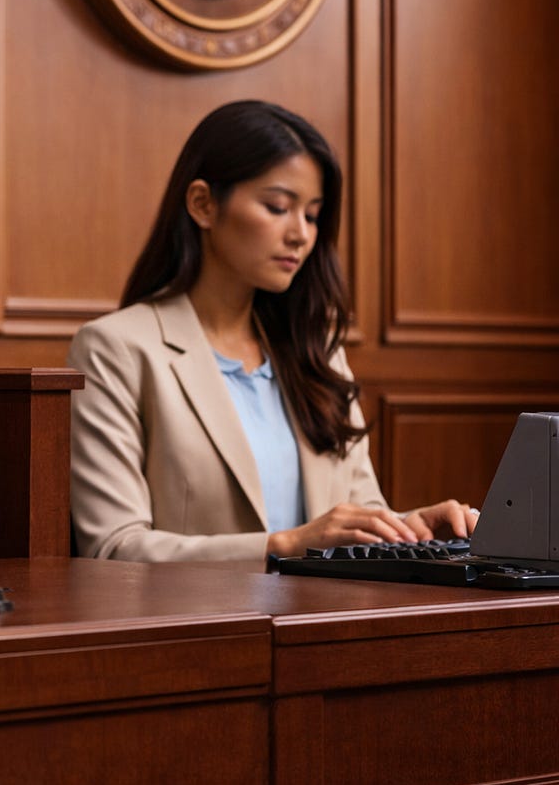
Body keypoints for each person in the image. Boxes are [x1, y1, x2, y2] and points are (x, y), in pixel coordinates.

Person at [67, 100, 476, 561]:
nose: (300, 233)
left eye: (312, 215)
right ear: (203, 204)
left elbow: (357, 515)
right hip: (198, 630)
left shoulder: (317, 351)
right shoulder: (115, 348)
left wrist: (411, 528)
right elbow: (113, 547)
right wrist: (283, 546)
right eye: (278, 207)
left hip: (327, 626)